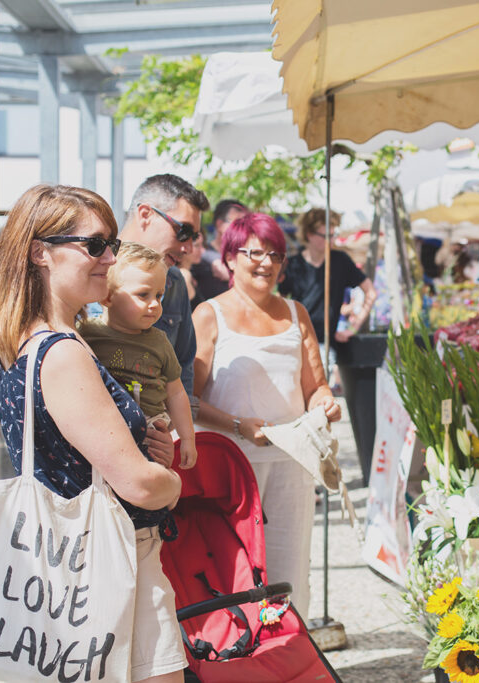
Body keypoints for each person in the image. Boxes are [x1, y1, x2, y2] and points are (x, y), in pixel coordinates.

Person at [0, 184, 186, 683]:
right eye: (94, 245)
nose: (109, 257)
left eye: (110, 243)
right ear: (39, 252)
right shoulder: (63, 352)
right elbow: (139, 485)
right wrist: (171, 482)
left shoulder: (17, 344)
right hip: (110, 566)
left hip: (58, 572)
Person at [193, 212, 342, 618]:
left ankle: (290, 660)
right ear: (229, 257)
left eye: (275, 254)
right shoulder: (209, 314)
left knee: (289, 571)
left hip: (292, 466)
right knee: (232, 574)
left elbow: (315, 388)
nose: (266, 263)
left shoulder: (296, 314)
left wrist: (325, 404)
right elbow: (186, 399)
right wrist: (238, 426)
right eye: (255, 252)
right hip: (230, 468)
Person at [79, 243, 197, 470]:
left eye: (159, 295)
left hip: (150, 436)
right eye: (143, 295)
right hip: (102, 435)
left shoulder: (160, 341)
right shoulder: (85, 333)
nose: (154, 304)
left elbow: (176, 393)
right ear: (107, 298)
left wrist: (187, 440)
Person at [118, 174, 210, 404]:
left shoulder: (175, 282)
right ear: (145, 215)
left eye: (194, 237)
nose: (188, 247)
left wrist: (179, 432)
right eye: (183, 231)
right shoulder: (93, 271)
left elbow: (183, 369)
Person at [279, 208, 377, 347]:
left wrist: (352, 329)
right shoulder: (294, 264)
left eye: (332, 235)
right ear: (310, 234)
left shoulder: (340, 261)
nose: (331, 240)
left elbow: (371, 292)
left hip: (327, 345)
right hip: (296, 341)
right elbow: (280, 301)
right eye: (325, 235)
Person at [191, 198, 249, 309]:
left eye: (245, 224)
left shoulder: (244, 255)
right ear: (219, 224)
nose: (242, 229)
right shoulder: (200, 255)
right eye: (237, 223)